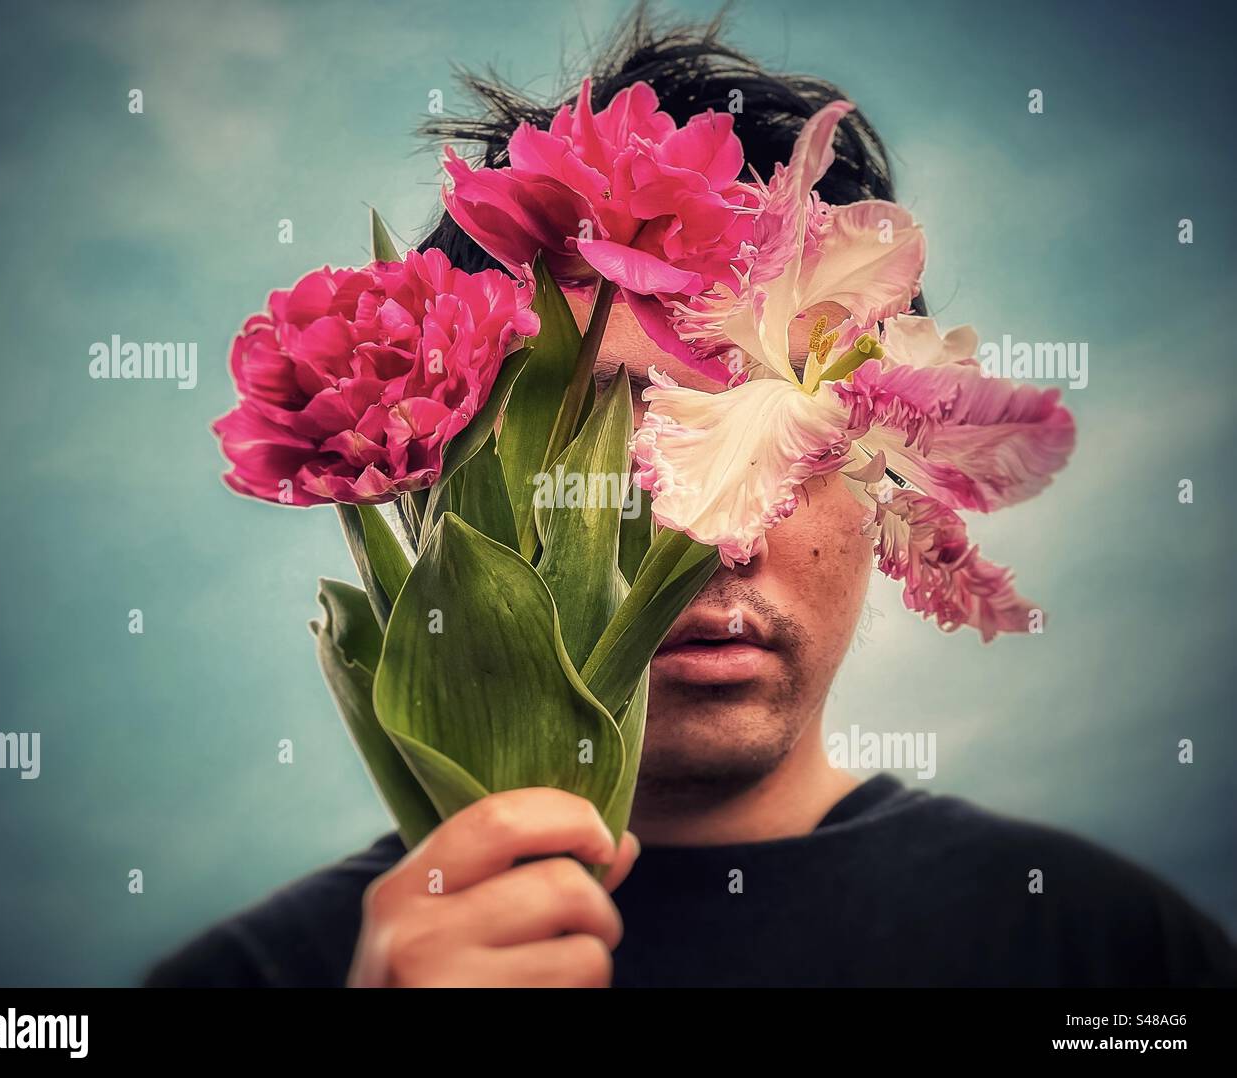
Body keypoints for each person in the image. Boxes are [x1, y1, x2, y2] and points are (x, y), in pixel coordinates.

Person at [145, 9, 1236, 988]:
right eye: (611, 429)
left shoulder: (1117, 956)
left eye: (795, 436)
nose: (711, 530)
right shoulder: (256, 979)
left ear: (883, 465)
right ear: (449, 469)